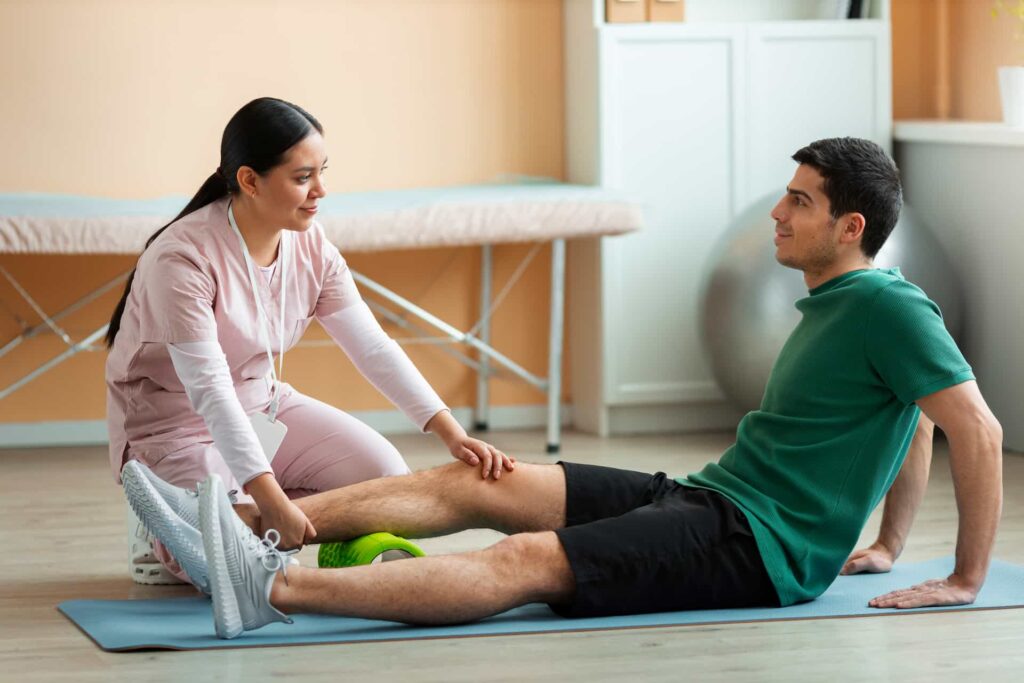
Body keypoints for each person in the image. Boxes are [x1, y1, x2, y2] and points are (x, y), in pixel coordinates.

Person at [124, 137, 1003, 638]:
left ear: (850, 227)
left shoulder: (890, 305)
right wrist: (886, 544)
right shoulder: (844, 304)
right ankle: (237, 526)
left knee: (528, 561)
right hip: (713, 496)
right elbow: (917, 421)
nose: (777, 211)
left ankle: (269, 588)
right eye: (787, 194)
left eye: (800, 202)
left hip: (759, 546)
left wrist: (964, 576)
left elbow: (976, 428)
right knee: (483, 479)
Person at [107, 97, 512, 590]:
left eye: (322, 172)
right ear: (250, 180)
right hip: (174, 427)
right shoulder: (182, 259)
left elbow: (373, 347)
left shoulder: (312, 245)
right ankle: (163, 526)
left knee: (386, 476)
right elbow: (210, 389)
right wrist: (271, 499)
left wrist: (452, 433)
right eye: (303, 177)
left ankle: (271, 526)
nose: (321, 190)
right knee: (242, 561)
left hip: (260, 404)